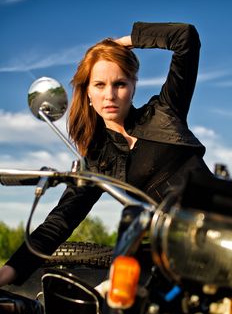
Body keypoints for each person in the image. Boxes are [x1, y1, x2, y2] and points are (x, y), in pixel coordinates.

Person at [0, 21, 213, 287]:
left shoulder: (165, 113)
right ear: (87, 92)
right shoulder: (98, 160)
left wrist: (119, 44)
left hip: (221, 227)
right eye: (99, 85)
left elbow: (186, 38)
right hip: (175, 254)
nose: (109, 95)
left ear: (133, 86)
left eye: (120, 84)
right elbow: (59, 222)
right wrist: (9, 272)